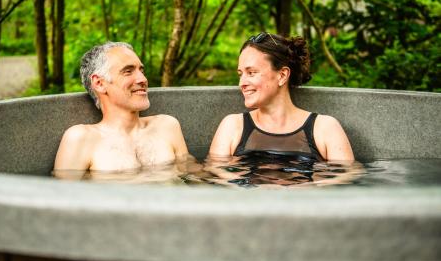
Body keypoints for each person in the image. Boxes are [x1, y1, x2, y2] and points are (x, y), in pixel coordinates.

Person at [209, 32, 354, 161]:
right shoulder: (232, 126)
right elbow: (215, 182)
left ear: (282, 75)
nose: (242, 83)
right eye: (240, 74)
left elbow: (345, 184)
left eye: (251, 72)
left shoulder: (325, 128)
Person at [54, 42, 189, 175]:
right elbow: (63, 195)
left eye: (141, 70)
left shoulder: (166, 126)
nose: (143, 79)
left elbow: (192, 179)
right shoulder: (81, 138)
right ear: (99, 83)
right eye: (128, 71)